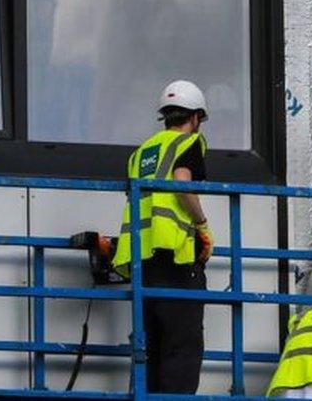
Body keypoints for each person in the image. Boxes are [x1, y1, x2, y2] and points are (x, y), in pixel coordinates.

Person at [111, 79, 214, 394]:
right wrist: (202, 225)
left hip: (143, 259)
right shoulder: (188, 143)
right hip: (176, 257)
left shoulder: (142, 151)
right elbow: (182, 183)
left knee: (149, 345)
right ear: (195, 117)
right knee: (182, 344)